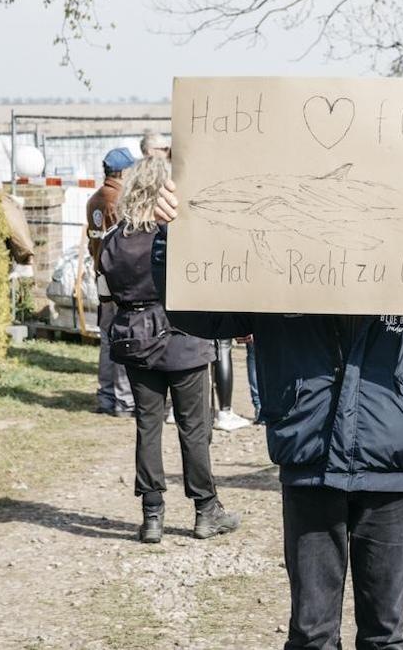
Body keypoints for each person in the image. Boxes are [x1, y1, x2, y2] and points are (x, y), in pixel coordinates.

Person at [155, 176, 403, 650]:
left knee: (384, 636)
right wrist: (175, 236)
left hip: (391, 463)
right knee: (312, 635)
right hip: (308, 456)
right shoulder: (274, 249)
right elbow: (196, 312)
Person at [97, 156, 239, 543]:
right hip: (183, 337)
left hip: (136, 338)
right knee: (195, 429)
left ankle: (152, 516)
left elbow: (105, 293)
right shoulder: (179, 235)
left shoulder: (113, 239)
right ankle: (206, 510)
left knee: (148, 426)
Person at [87, 147, 136, 417]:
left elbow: (90, 241)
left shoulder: (93, 199)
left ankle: (106, 397)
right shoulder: (119, 200)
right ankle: (124, 400)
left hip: (100, 276)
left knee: (107, 340)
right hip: (119, 280)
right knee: (122, 340)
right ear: (124, 171)